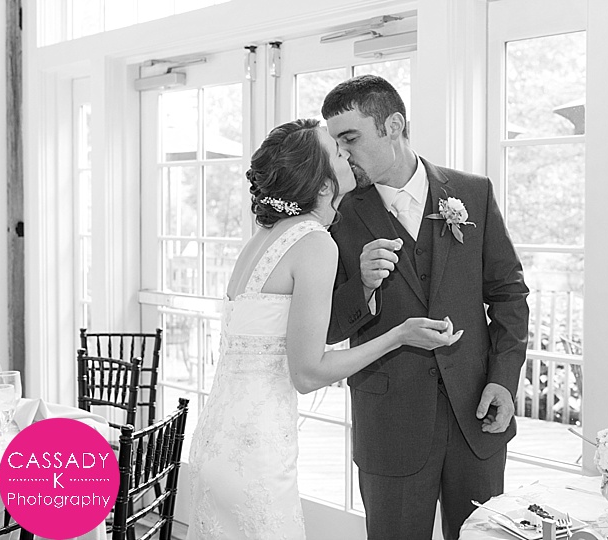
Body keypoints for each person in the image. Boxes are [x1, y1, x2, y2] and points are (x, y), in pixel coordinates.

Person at [187, 118, 462, 540]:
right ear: (321, 184)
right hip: (257, 451)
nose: (346, 152)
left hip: (217, 440)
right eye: (336, 151)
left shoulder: (261, 240)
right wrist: (399, 335)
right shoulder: (314, 242)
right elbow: (308, 373)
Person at [323, 75, 530, 540]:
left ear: (393, 125)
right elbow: (329, 328)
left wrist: (503, 379)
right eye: (337, 144)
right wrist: (363, 287)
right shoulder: (338, 214)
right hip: (390, 425)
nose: (343, 154)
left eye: (351, 138)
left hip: (476, 415)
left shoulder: (473, 193)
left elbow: (509, 294)